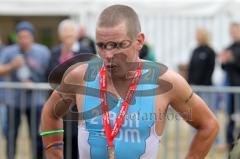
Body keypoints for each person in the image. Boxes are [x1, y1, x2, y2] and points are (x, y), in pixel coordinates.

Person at [41, 4, 219, 159]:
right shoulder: (80, 76)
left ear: (139, 41)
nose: (109, 55)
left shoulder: (166, 81)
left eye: (118, 45)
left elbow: (209, 125)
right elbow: (50, 113)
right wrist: (54, 154)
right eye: (102, 45)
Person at [0, 21, 50, 159]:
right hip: (13, 101)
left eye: (27, 36)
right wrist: (12, 65)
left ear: (32, 37)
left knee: (36, 135)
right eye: (20, 36)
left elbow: (49, 73)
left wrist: (35, 82)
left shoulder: (42, 51)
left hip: (36, 101)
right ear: (16, 37)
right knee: (11, 134)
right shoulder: (9, 51)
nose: (24, 40)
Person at [47, 19, 93, 159]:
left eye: (71, 34)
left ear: (76, 34)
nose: (68, 38)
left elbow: (88, 73)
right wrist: (63, 56)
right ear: (60, 36)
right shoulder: (55, 52)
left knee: (78, 139)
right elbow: (50, 74)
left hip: (79, 105)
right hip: (61, 104)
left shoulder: (86, 51)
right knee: (62, 137)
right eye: (65, 35)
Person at [219, 22, 240, 151]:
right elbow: (224, 67)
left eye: (235, 30)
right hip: (231, 88)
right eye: (231, 31)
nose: (233, 33)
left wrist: (231, 60)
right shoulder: (229, 47)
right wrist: (224, 60)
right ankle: (229, 143)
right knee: (231, 116)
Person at [188, 27, 216, 111]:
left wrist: (204, 83)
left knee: (206, 109)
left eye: (199, 34)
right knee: (194, 110)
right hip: (195, 86)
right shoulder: (195, 50)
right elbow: (191, 67)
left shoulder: (210, 51)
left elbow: (211, 68)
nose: (197, 36)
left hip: (206, 87)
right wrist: (190, 82)